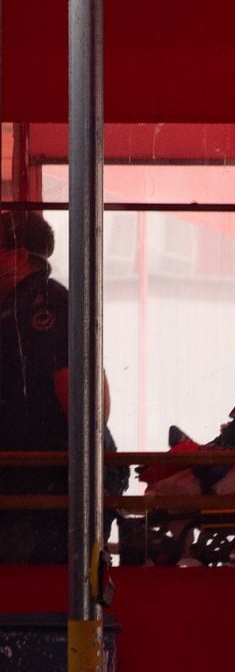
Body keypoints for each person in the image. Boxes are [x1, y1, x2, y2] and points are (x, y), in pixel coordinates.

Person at [0, 211, 121, 563]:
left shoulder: (42, 306)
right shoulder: (29, 306)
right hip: (31, 489)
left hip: (40, 496)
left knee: (32, 598)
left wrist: (85, 476)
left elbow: (81, 391)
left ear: (18, 256)